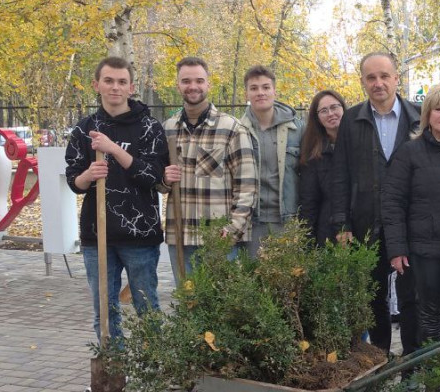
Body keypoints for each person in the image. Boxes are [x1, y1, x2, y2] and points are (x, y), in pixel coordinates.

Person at [65, 56, 167, 346]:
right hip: (97, 236)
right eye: (108, 81)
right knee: (105, 310)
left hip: (140, 235)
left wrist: (113, 150)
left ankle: (157, 369)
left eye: (122, 82)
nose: (115, 87)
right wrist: (88, 175)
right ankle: (113, 369)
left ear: (131, 87)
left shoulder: (149, 128)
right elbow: (74, 181)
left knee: (147, 307)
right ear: (97, 85)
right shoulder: (85, 129)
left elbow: (153, 176)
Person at [331, 52, 422, 355]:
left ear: (397, 78)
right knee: (372, 295)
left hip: (411, 224)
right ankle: (379, 357)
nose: (378, 83)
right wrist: (342, 223)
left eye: (384, 76)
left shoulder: (419, 118)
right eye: (371, 77)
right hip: (365, 223)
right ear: (362, 82)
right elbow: (340, 175)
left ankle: (411, 360)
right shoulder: (352, 120)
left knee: (411, 296)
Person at [381, 84, 440, 358]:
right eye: (438, 109)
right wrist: (397, 248)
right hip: (426, 252)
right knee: (430, 318)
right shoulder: (409, 153)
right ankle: (434, 386)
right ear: (427, 115)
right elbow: (392, 203)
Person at [161, 56, 257, 283]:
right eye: (186, 81)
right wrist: (164, 179)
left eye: (199, 80)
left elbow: (247, 186)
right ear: (178, 85)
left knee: (221, 310)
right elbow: (158, 183)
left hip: (218, 240)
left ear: (208, 84)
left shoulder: (231, 128)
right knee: (187, 307)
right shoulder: (167, 129)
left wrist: (233, 229)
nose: (193, 86)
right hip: (180, 238)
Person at [241, 65, 305, 257]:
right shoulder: (238, 130)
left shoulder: (298, 129)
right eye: (254, 88)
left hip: (288, 220)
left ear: (274, 91)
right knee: (252, 282)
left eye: (265, 87)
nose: (260, 92)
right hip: (252, 222)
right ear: (246, 93)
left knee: (288, 283)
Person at [299, 90, 345, 245]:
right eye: (324, 111)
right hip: (327, 229)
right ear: (317, 117)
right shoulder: (313, 151)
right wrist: (307, 239)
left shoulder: (360, 143)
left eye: (334, 107)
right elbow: (309, 200)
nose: (331, 113)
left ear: (343, 108)